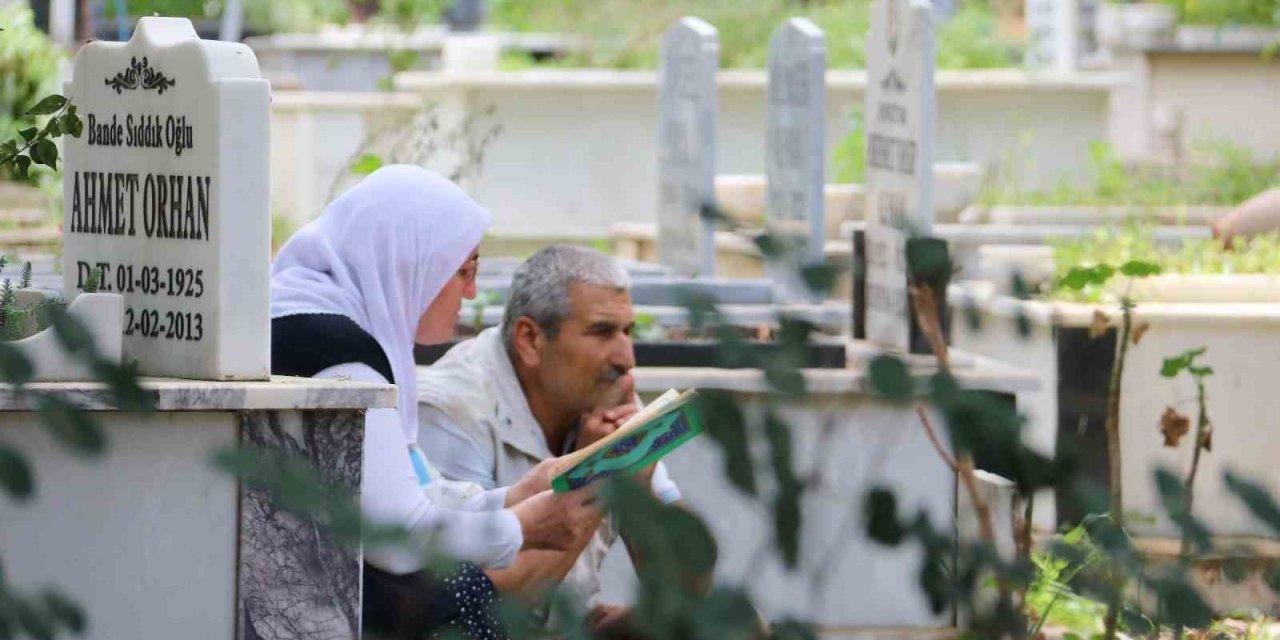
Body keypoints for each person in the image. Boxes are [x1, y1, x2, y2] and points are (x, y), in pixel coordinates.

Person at [270, 167, 600, 639]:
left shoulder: (304, 316)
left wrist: (513, 496)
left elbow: (401, 493)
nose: (470, 292)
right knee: (466, 593)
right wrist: (523, 526)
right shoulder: (340, 354)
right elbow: (399, 537)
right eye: (462, 270)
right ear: (409, 262)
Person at [418, 245, 683, 628]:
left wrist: (642, 496)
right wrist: (600, 472)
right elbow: (476, 613)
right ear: (530, 340)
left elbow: (689, 590)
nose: (626, 359)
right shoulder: (450, 407)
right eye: (602, 332)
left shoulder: (602, 388)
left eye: (628, 331)